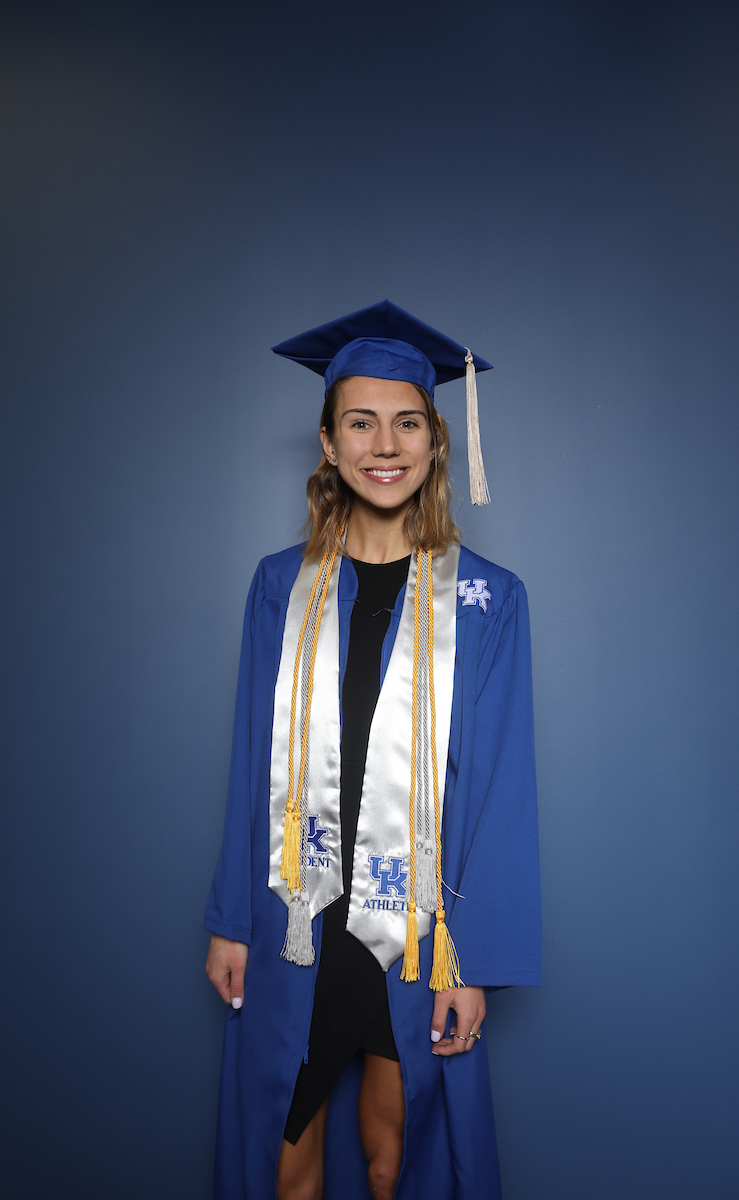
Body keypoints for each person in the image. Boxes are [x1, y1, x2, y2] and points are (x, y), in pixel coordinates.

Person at [204, 300, 540, 1200]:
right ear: (327, 441)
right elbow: (248, 757)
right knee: (287, 1149)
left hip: (416, 928)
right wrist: (231, 915)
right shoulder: (282, 585)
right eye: (360, 423)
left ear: (435, 441)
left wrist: (474, 964)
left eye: (406, 424)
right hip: (297, 917)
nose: (383, 445)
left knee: (398, 1161)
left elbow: (501, 789)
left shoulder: (487, 601)